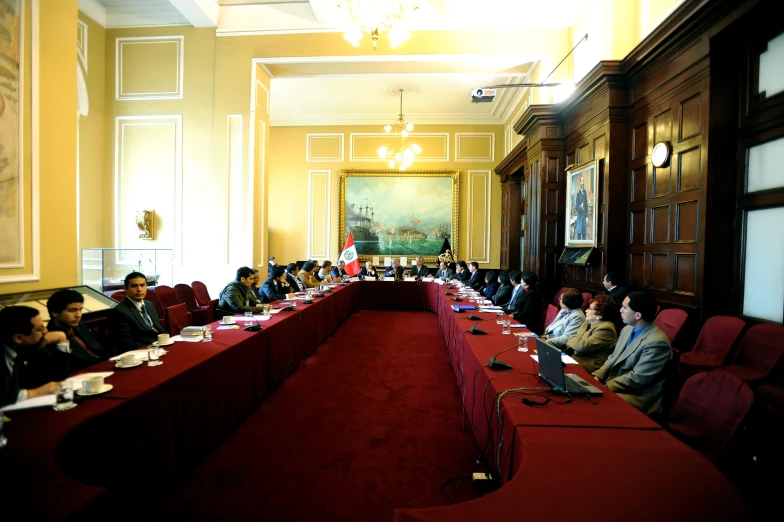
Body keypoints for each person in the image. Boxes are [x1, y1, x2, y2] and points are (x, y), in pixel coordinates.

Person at [593, 291, 671, 415]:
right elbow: (613, 357)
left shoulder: (657, 342)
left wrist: (606, 386)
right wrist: (597, 377)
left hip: (637, 395)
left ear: (638, 315)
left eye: (624, 307)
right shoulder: (627, 329)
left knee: (596, 406)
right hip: (616, 385)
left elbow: (638, 378)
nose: (620, 310)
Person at [1, 306, 72, 407]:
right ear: (19, 338)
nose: (46, 331)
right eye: (40, 329)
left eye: (44, 326)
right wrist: (35, 393)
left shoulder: (31, 346)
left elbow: (58, 376)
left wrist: (62, 340)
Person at [46, 289, 109, 371]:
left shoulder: (79, 324)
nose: (78, 315)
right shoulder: (51, 337)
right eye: (72, 310)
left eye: (80, 310)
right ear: (55, 312)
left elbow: (96, 347)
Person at [108, 271, 168, 351]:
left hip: (161, 346)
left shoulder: (149, 305)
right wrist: (154, 348)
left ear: (146, 286)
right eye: (134, 286)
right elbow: (126, 344)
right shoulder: (119, 312)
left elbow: (158, 330)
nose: (139, 289)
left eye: (142, 285)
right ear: (126, 288)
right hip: (144, 352)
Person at [565, 294, 618, 373]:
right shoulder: (587, 323)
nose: (586, 310)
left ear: (600, 314)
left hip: (589, 365)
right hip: (577, 358)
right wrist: (574, 341)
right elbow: (576, 341)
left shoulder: (606, 329)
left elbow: (582, 346)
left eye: (590, 308)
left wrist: (572, 340)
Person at [575, 176, 588, 240]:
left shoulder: (585, 192)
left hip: (584, 216)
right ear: (580, 182)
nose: (582, 183)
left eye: (583, 181)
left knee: (584, 233)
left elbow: (587, 205)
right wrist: (581, 206)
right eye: (581, 181)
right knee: (579, 233)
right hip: (580, 216)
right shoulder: (578, 193)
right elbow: (576, 207)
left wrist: (587, 216)